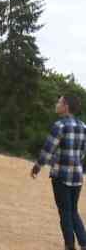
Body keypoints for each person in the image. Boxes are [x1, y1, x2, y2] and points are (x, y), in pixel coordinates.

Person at [31, 95, 86, 250]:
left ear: (66, 106)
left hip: (61, 175)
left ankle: (69, 245)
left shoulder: (59, 126)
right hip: (77, 175)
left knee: (64, 212)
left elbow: (48, 150)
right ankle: (84, 243)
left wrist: (37, 166)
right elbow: (82, 153)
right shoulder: (83, 126)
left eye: (59, 102)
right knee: (73, 210)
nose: (56, 104)